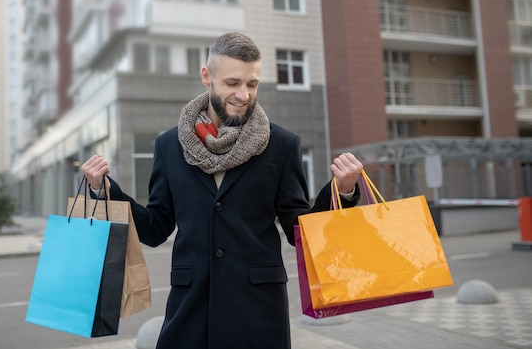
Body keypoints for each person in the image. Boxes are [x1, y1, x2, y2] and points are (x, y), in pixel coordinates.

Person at [81, 32, 363, 349]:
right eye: (232, 83)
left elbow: (300, 231)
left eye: (252, 84)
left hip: (258, 312)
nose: (243, 94)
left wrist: (343, 191)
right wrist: (106, 192)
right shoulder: (169, 146)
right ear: (207, 77)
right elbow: (156, 227)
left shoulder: (282, 145)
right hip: (190, 310)